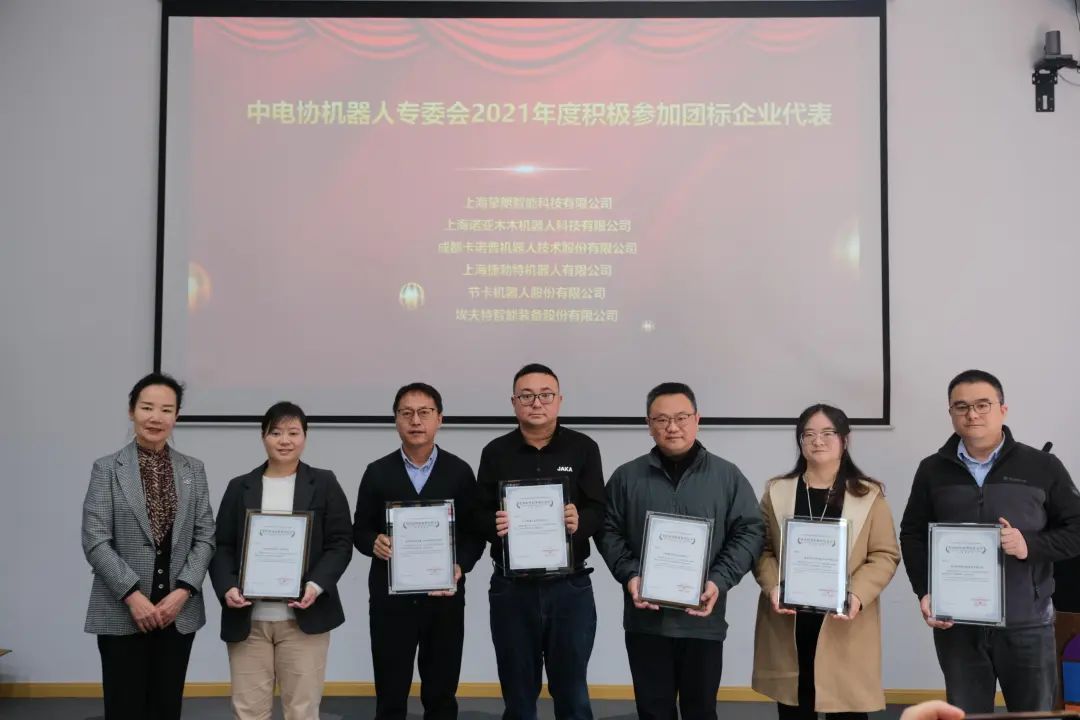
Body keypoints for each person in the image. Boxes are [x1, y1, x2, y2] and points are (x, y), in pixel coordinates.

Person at [900, 369, 1080, 712]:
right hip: (958, 625)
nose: (972, 414)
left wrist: (1029, 546)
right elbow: (913, 535)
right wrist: (924, 590)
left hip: (1027, 622)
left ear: (1003, 410)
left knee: (1034, 716)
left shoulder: (1042, 466)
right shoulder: (932, 470)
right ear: (951, 413)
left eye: (983, 405)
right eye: (962, 406)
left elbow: (1076, 529)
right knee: (966, 715)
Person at [598, 381, 764, 720]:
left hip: (702, 621)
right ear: (649, 425)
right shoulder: (626, 477)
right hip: (646, 622)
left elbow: (750, 531)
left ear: (697, 419)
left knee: (700, 711)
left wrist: (718, 580)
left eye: (681, 417)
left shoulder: (727, 476)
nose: (672, 427)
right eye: (661, 419)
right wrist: (631, 575)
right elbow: (607, 530)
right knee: (653, 711)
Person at [471, 363, 606, 720]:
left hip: (570, 587)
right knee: (518, 696)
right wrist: (494, 523)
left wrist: (580, 521)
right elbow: (477, 514)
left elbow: (599, 509)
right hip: (512, 589)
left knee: (573, 693)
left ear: (559, 400)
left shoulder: (583, 448)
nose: (536, 403)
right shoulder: (495, 452)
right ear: (513, 402)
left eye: (545, 395)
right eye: (527, 396)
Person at [751, 404, 900, 720]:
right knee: (795, 706)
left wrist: (857, 594)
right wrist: (774, 585)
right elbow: (762, 549)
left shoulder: (868, 495)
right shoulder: (777, 491)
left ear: (845, 440)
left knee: (846, 709)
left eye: (827, 433)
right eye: (808, 434)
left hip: (845, 619)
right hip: (791, 618)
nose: (817, 441)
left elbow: (885, 554)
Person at [81, 372, 216, 720]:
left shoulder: (193, 469)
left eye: (166, 410)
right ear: (132, 411)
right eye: (147, 407)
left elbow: (205, 536)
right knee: (123, 709)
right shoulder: (107, 468)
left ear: (176, 416)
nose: (156, 417)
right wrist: (132, 595)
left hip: (177, 613)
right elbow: (95, 539)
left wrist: (183, 591)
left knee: (166, 709)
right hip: (122, 611)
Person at [210, 401, 353, 720]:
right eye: (275, 432)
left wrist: (316, 585)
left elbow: (341, 542)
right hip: (248, 619)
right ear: (263, 436)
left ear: (305, 436)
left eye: (293, 432)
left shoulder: (324, 483)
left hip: (305, 619)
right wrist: (228, 587)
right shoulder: (239, 486)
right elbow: (221, 545)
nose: (284, 440)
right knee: (248, 712)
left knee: (302, 710)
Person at [353, 382, 485, 720]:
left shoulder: (459, 471)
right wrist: (373, 542)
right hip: (390, 601)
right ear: (396, 420)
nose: (415, 421)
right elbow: (359, 530)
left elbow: (474, 534)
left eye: (424, 412)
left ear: (439, 419)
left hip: (443, 599)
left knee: (441, 694)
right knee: (390, 694)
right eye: (407, 413)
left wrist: (461, 565)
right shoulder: (377, 472)